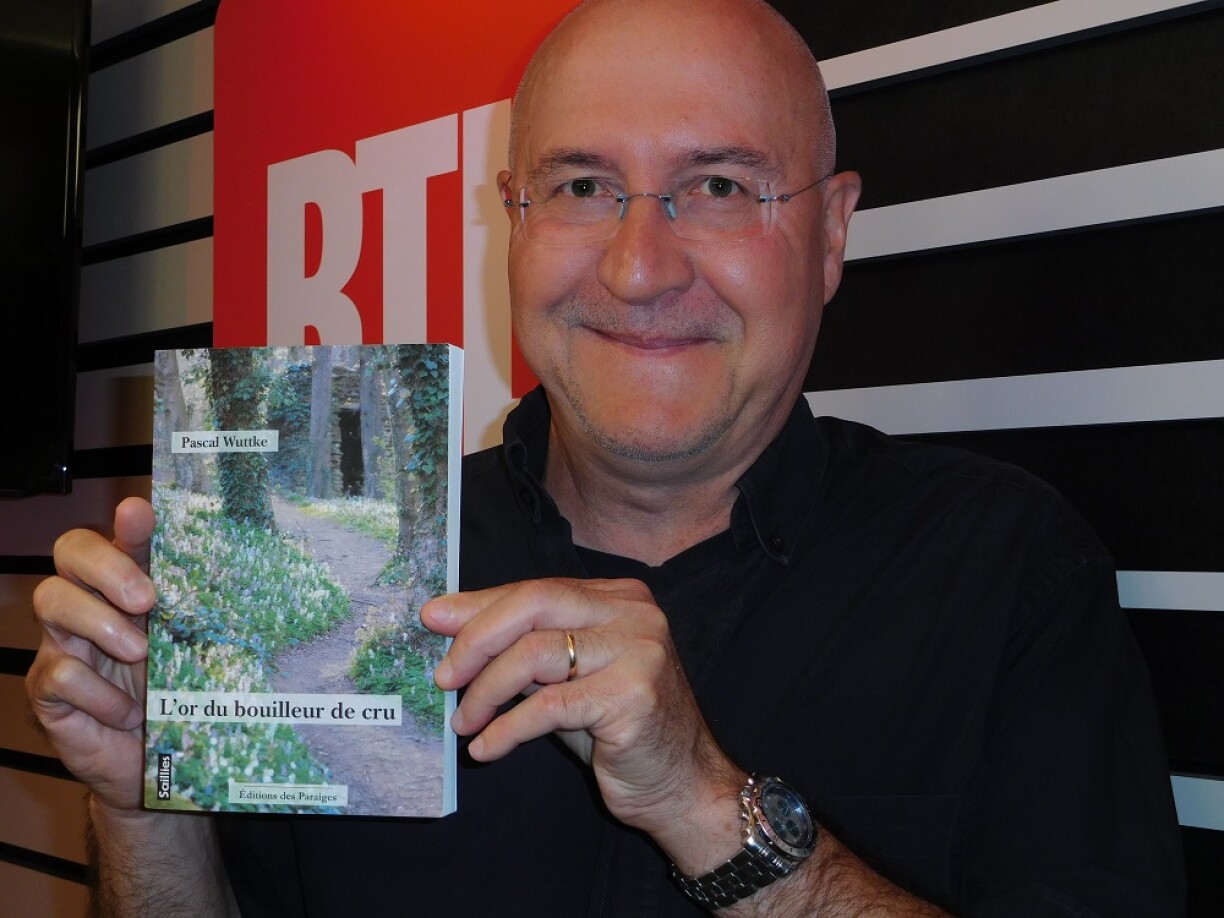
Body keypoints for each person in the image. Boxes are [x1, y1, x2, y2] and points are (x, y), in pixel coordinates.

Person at [28, 0, 1184, 914]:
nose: (638, 268)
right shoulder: (361, 569)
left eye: (717, 187)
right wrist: (144, 809)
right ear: (514, 218)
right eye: (583, 187)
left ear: (831, 232)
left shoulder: (1008, 571)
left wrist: (708, 806)